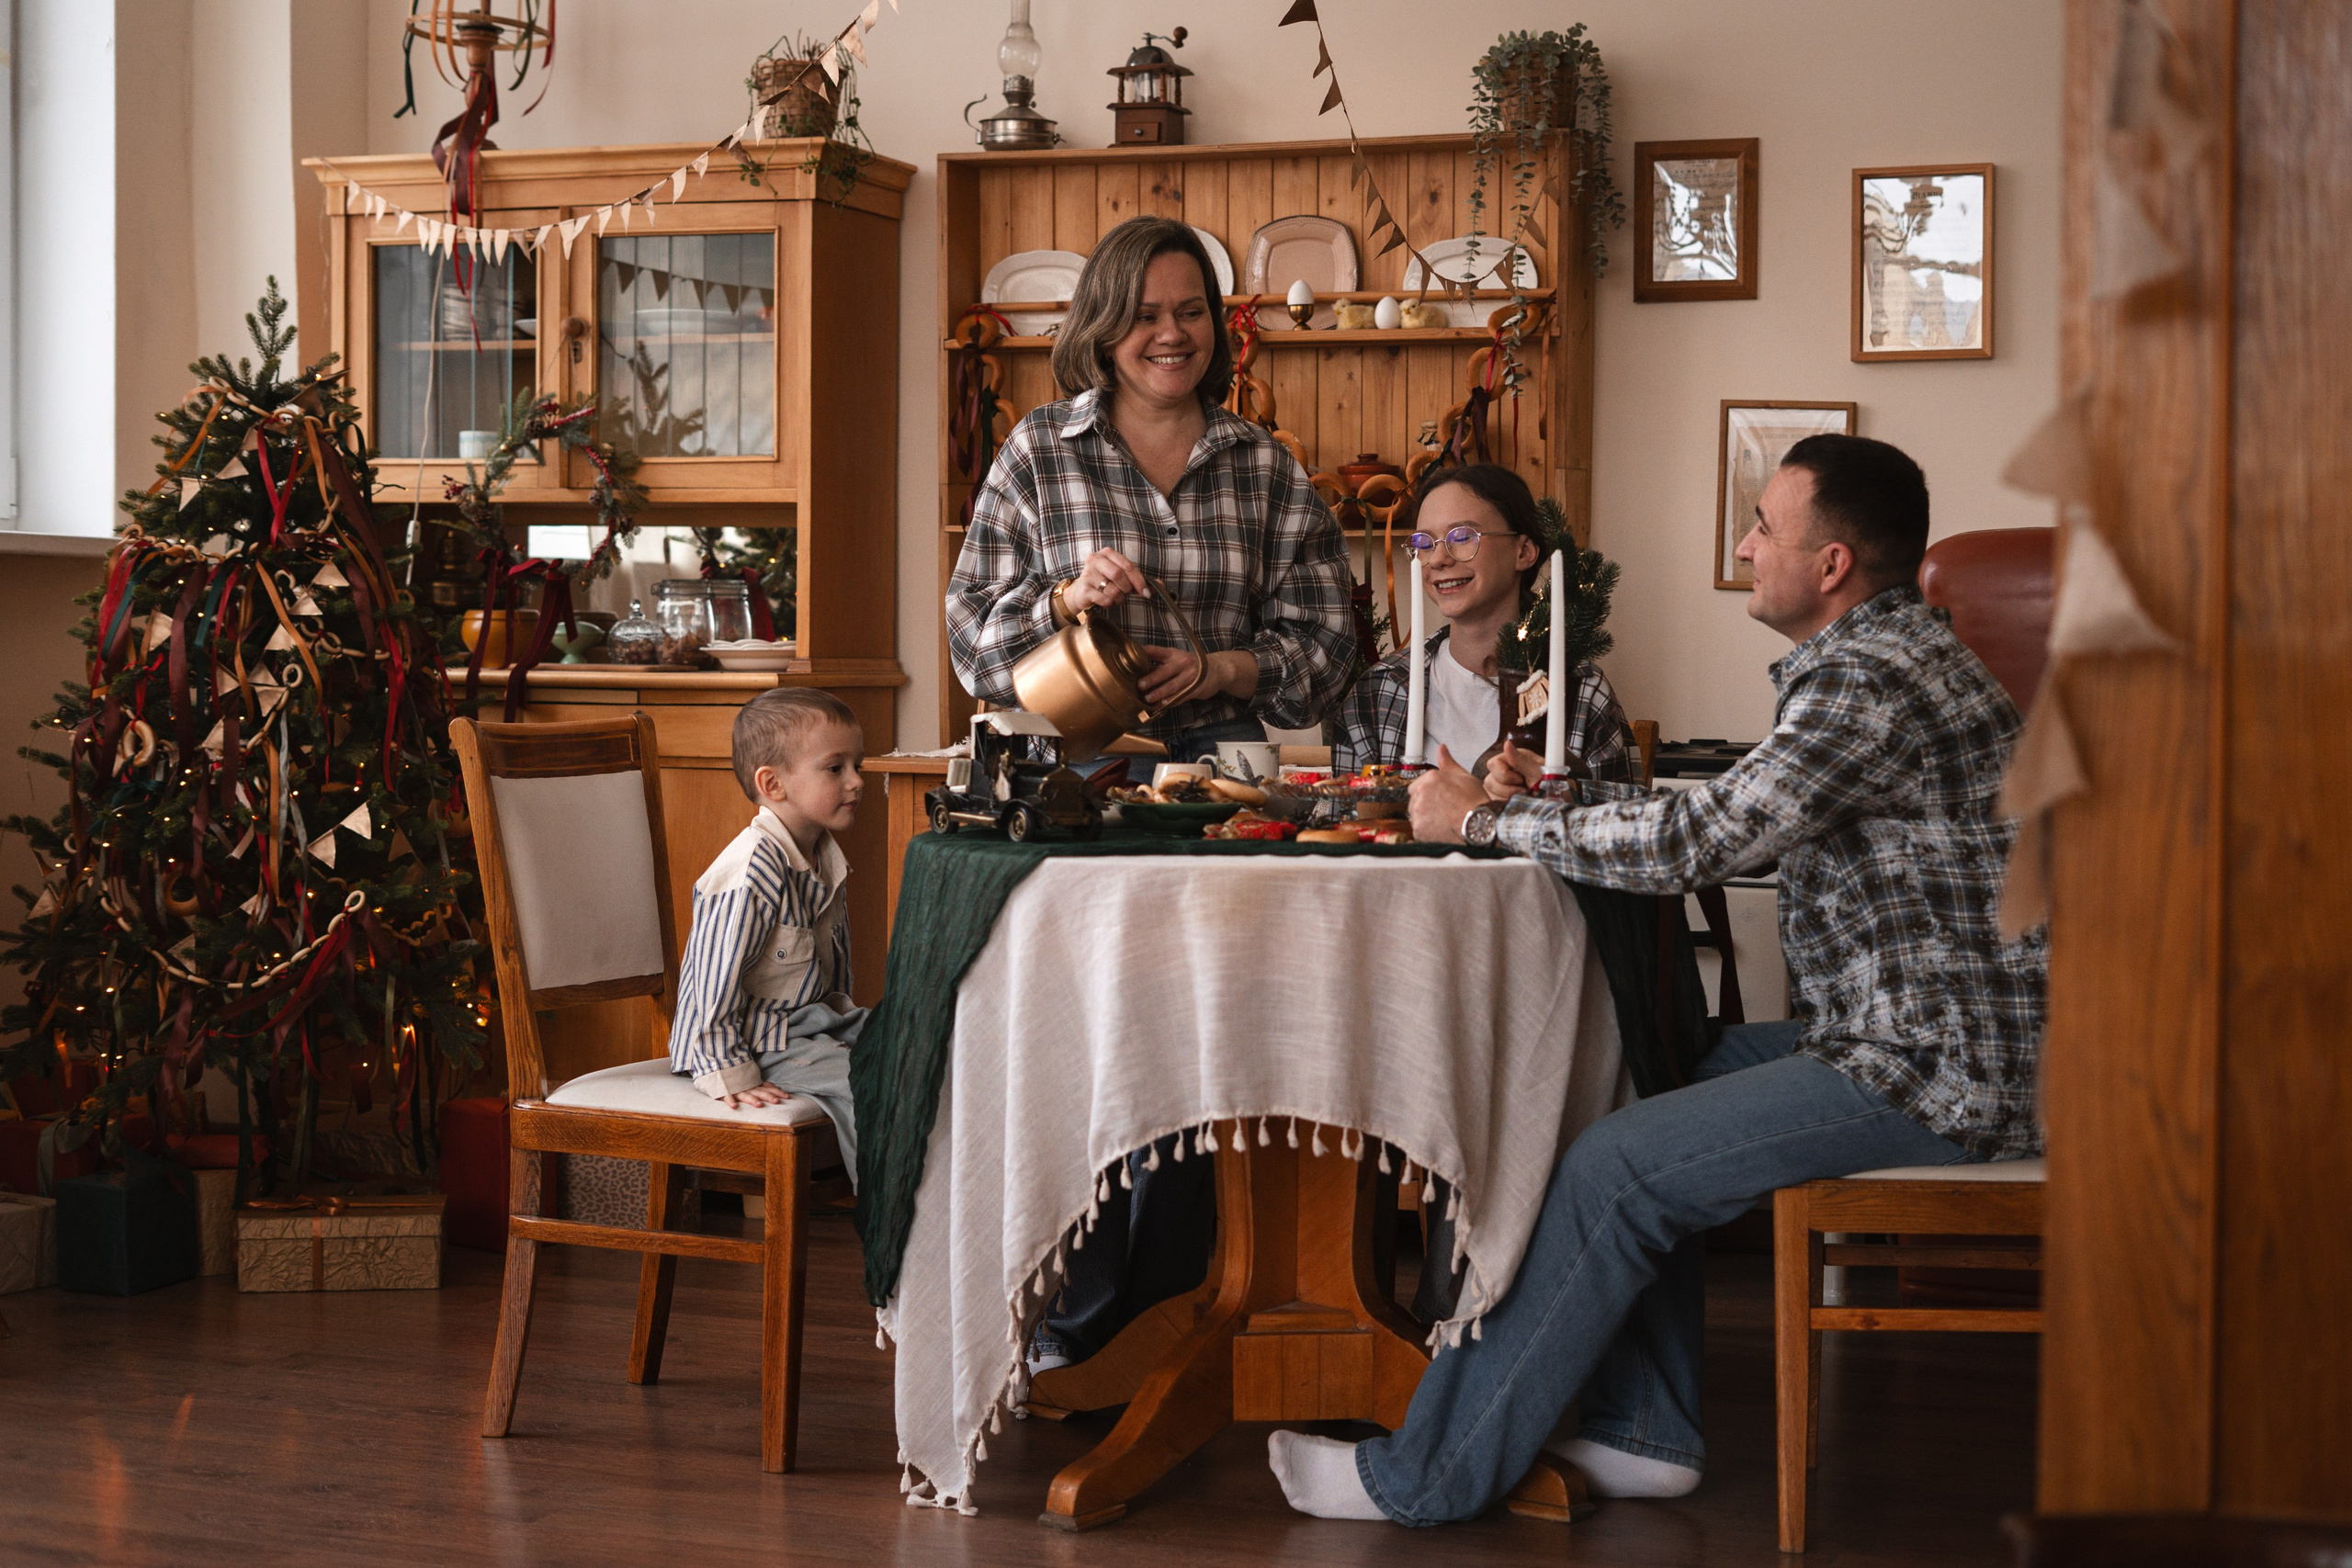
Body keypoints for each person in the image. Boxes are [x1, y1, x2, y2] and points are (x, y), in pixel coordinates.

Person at [1266, 434, 2047, 1522]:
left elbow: (1699, 843)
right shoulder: (1886, 658)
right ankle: (1643, 1431)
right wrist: (1554, 802)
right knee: (1636, 1064)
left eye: (1763, 528)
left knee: (1614, 1165)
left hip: (1938, 1067)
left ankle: (1423, 1479)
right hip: (1906, 1034)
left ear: (1829, 565)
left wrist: (1486, 821)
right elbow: (1735, 812)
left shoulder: (1869, 679)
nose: (1745, 546)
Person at [946, 215, 1356, 1371]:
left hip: (1222, 787)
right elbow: (972, 638)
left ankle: (1182, 1308)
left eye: (1189, 313)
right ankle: (1073, 1320)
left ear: (1216, 329)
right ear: (1102, 325)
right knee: (1084, 1041)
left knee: (1204, 1041)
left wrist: (1224, 669)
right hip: (1073, 779)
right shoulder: (1040, 451)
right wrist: (1065, 599)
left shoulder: (1262, 464)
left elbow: (1330, 642)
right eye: (1144, 314)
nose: (1169, 335)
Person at [667, 687, 868, 1183]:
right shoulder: (749, 873)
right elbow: (709, 986)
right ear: (773, 784)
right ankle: (896, 1209)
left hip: (816, 1025)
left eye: (857, 765)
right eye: (835, 768)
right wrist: (728, 1071)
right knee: (879, 1085)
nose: (857, 781)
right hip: (763, 1042)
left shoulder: (824, 857)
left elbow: (834, 971)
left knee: (925, 1048)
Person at [1332, 463, 1636, 784]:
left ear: (1524, 552)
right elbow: (1343, 809)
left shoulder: (1581, 689)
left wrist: (1557, 793)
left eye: (1463, 536)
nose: (1438, 559)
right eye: (1424, 543)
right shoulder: (1378, 692)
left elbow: (1628, 808)